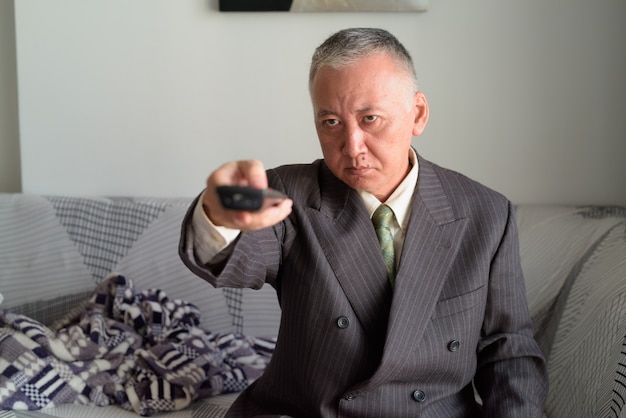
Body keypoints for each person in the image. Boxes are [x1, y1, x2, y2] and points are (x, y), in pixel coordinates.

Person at [180, 27, 548, 417]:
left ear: (417, 113)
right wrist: (219, 214)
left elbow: (508, 349)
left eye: (370, 118)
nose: (352, 146)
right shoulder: (289, 193)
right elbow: (238, 258)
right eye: (331, 123)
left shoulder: (486, 213)